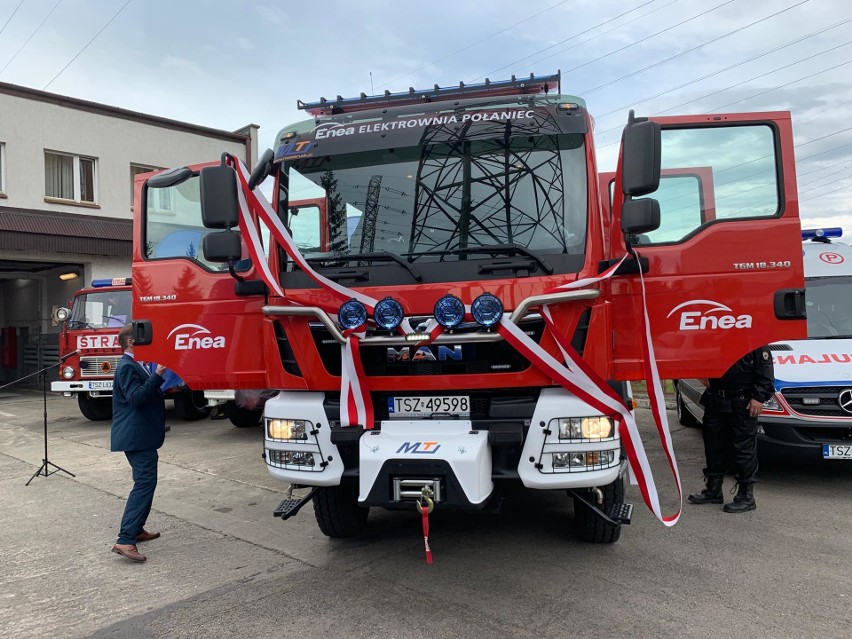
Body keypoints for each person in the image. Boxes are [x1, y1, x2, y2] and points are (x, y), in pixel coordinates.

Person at [688, 346, 774, 513]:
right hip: (716, 399)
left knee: (743, 450)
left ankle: (746, 497)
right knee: (714, 447)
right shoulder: (718, 336)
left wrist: (759, 397)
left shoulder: (754, 340)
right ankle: (713, 490)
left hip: (743, 403)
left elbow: (765, 372)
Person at [110, 324, 167, 562]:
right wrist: (158, 376)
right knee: (143, 484)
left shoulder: (136, 365)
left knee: (147, 483)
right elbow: (136, 399)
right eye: (145, 339)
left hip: (142, 435)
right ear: (132, 342)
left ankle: (137, 530)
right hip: (135, 436)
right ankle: (125, 540)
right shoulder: (126, 366)